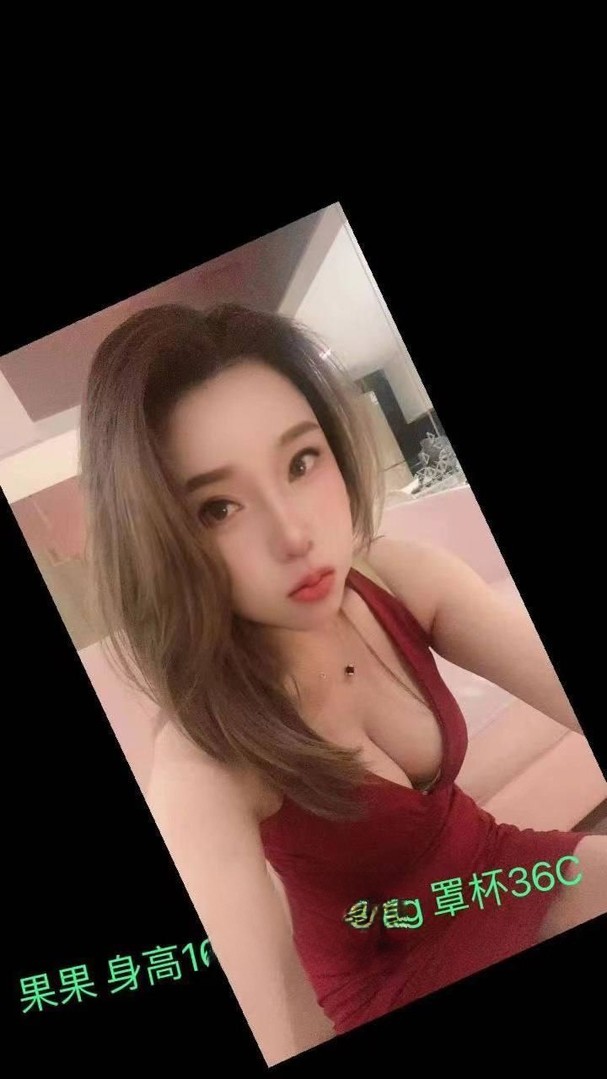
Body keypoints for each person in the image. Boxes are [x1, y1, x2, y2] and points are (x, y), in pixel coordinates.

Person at [79, 302, 607, 1066]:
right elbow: (264, 1013)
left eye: (301, 461)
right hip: (387, 980)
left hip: (498, 865)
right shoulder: (204, 755)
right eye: (217, 507)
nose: (294, 534)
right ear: (160, 543)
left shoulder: (396, 578)